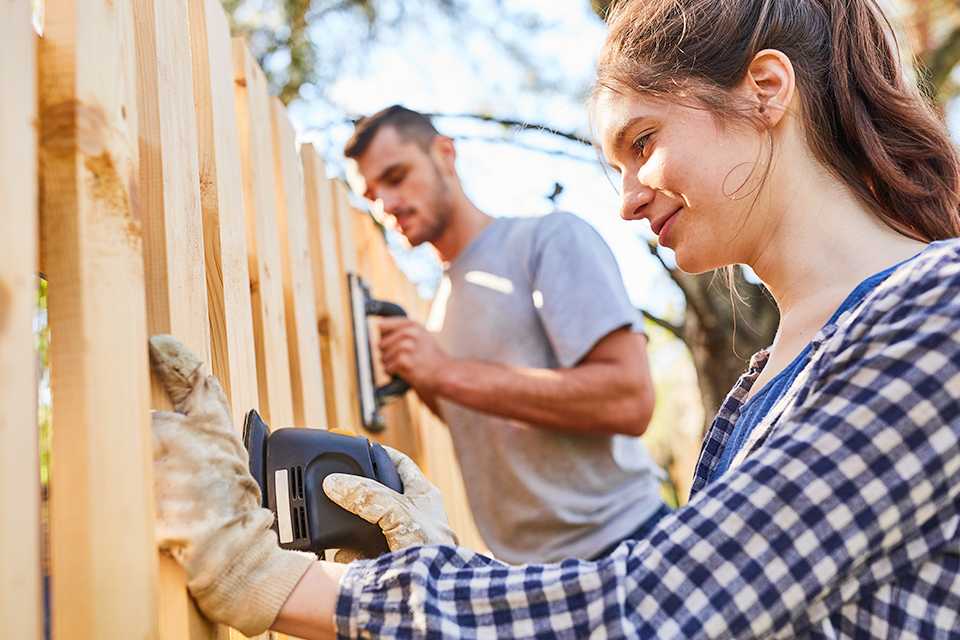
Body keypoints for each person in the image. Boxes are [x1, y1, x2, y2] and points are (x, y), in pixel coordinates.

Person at [147, 0, 960, 637]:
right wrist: (451, 566)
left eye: (643, 142)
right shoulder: (765, 380)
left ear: (767, 89)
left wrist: (282, 584)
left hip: (610, 568)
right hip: (554, 583)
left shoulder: (938, 313)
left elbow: (662, 606)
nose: (630, 197)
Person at [341, 104, 667, 564]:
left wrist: (445, 373)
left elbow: (628, 399)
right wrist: (431, 378)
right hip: (525, 576)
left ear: (444, 154)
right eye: (372, 196)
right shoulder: (439, 312)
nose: (387, 204)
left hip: (629, 548)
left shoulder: (548, 240)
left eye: (396, 177)